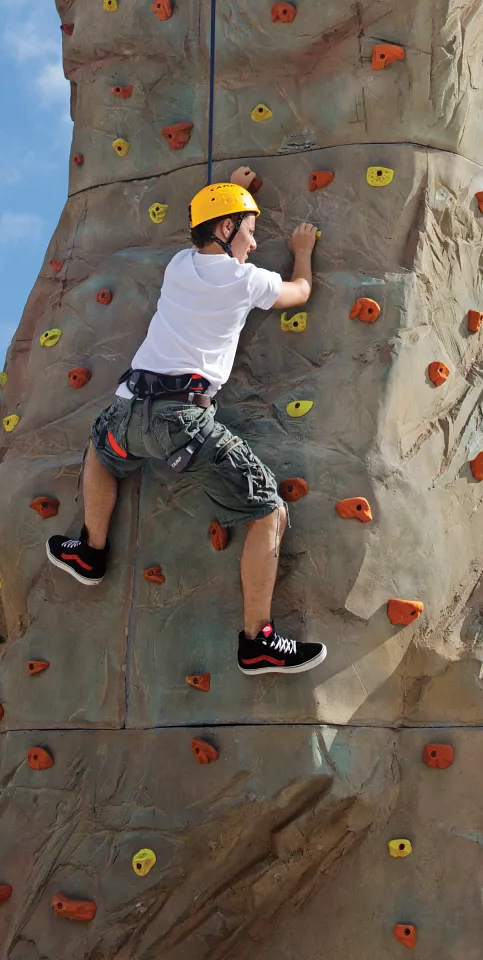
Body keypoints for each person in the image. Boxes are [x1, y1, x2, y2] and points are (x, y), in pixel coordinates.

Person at [47, 170, 326, 677]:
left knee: (100, 449)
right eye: (247, 228)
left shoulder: (179, 265)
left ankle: (90, 550)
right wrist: (302, 250)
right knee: (267, 509)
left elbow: (204, 231)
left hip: (129, 410)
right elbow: (300, 292)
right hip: (183, 423)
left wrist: (231, 185)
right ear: (224, 229)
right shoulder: (248, 280)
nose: (254, 238)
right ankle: (257, 641)